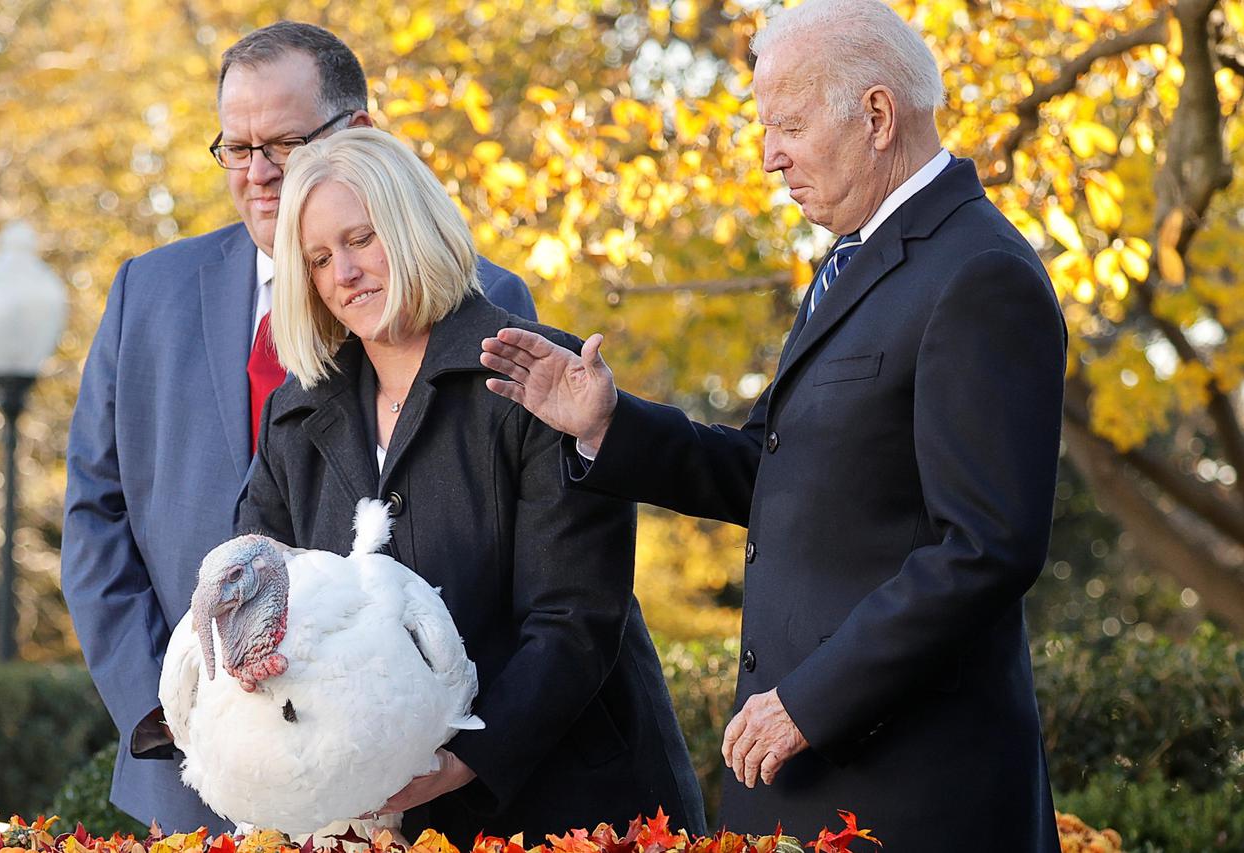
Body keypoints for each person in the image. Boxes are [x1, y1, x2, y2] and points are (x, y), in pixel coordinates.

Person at [479, 0, 1065, 849]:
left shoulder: (979, 273)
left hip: (910, 798)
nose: (768, 156)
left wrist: (808, 700)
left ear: (875, 115)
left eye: (786, 125)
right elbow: (770, 470)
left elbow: (986, 549)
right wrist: (607, 423)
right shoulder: (854, 259)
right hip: (804, 785)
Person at [62, 22, 536, 833]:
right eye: (236, 147)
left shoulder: (482, 301)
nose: (256, 173)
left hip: (406, 783)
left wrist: (421, 737)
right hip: (189, 771)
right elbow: (95, 518)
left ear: (357, 133)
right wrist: (174, 712)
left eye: (282, 142)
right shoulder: (148, 291)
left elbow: (527, 578)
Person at [235, 126, 706, 842]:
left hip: (568, 809)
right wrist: (249, 648)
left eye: (361, 239)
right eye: (319, 259)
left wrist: (462, 759)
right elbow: (254, 577)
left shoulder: (535, 375)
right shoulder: (295, 415)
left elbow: (574, 619)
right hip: (371, 813)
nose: (344, 274)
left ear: (411, 225)